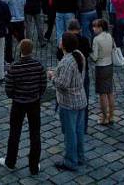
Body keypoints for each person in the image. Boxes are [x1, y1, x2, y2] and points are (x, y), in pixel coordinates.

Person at [0, 38, 46, 175]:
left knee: (14, 132)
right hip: (34, 102)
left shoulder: (14, 67)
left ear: (20, 50)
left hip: (18, 103)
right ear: (32, 50)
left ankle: (10, 161)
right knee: (35, 133)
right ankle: (34, 165)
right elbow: (43, 84)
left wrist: (15, 95)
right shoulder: (38, 65)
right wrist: (37, 94)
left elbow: (8, 88)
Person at [50, 32, 87, 172]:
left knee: (70, 133)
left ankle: (71, 161)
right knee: (78, 131)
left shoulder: (66, 62)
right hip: (80, 100)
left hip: (69, 103)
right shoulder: (79, 55)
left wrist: (52, 77)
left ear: (64, 45)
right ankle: (80, 156)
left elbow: (63, 84)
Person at [90, 19, 116, 125]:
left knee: (102, 94)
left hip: (101, 68)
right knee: (110, 92)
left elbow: (95, 57)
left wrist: (89, 53)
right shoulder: (110, 36)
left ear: (100, 27)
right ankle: (112, 116)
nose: (93, 29)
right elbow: (113, 48)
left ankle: (104, 118)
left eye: (95, 27)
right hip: (109, 65)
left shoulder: (96, 39)